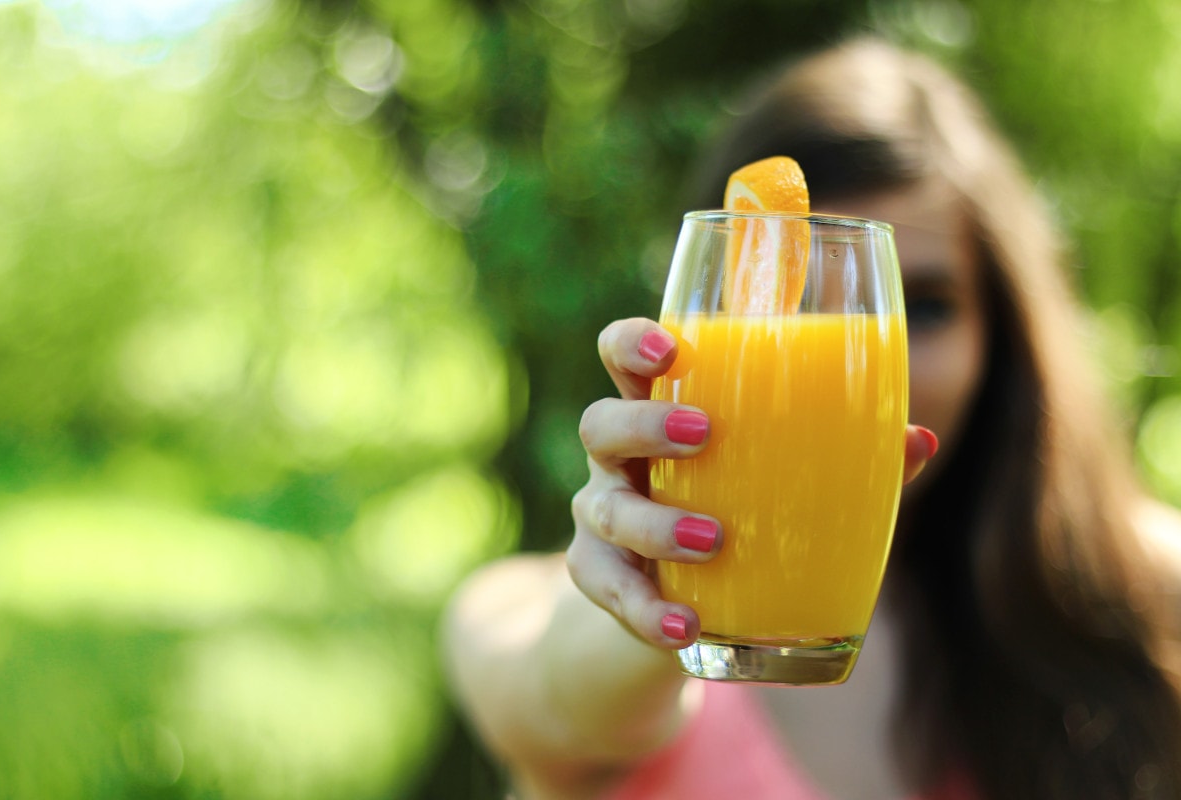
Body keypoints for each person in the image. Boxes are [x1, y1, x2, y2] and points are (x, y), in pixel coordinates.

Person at [441, 37, 1181, 800]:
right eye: (788, 298)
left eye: (920, 306)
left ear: (1000, 336)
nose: (853, 357)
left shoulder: (1151, 595)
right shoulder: (513, 610)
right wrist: (650, 608)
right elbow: (556, 707)